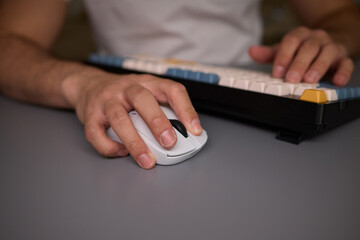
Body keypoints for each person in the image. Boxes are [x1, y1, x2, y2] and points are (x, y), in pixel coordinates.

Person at [0, 0, 359, 169]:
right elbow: (9, 43)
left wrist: (333, 36)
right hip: (121, 86)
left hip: (253, 84)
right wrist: (82, 83)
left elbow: (342, 13)